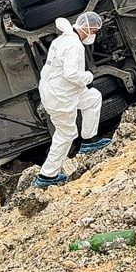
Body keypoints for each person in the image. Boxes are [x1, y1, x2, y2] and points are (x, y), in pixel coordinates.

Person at [35, 11, 111, 188]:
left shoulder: (61, 39)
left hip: (61, 92)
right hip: (60, 97)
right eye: (95, 31)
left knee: (93, 97)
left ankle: (89, 140)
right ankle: (47, 176)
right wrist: (88, 77)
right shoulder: (74, 45)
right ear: (88, 28)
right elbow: (71, 74)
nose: (94, 35)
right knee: (66, 134)